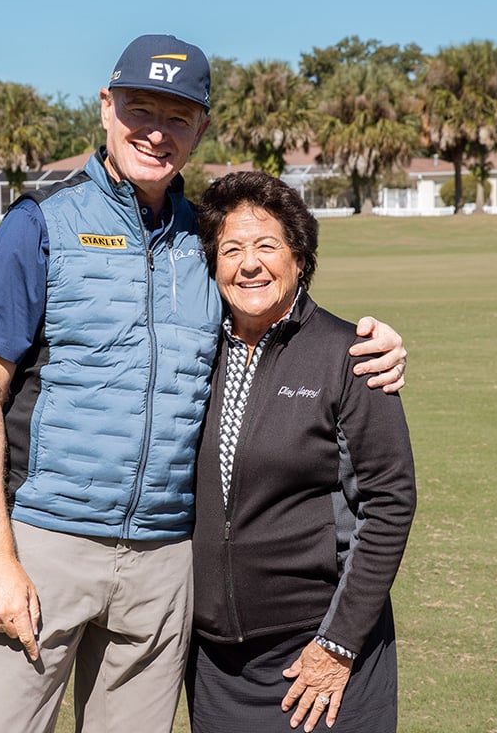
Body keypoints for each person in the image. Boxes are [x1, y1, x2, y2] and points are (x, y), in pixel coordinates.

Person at [0, 34, 407, 733]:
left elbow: (276, 319)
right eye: (140, 109)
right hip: (45, 543)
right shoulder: (40, 223)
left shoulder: (205, 239)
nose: (156, 133)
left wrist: (372, 344)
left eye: (178, 117)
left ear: (201, 128)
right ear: (107, 107)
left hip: (164, 565)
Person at [187, 171, 416, 733]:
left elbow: (389, 504)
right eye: (231, 250)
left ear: (299, 256)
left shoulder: (350, 356)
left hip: (322, 653)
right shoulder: (190, 353)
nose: (249, 265)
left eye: (267, 246)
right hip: (216, 664)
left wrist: (337, 644)